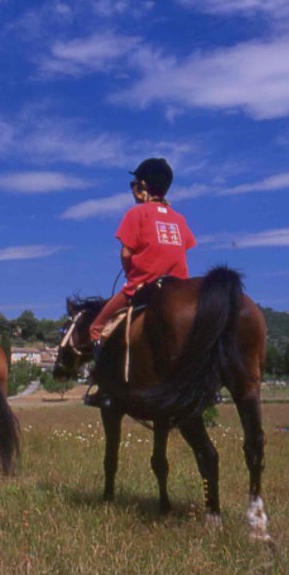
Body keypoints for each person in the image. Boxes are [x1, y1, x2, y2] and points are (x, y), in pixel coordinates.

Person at [85, 157, 196, 407]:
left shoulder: (136, 213)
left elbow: (126, 253)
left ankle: (105, 388)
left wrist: (130, 271)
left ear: (143, 185)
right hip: (179, 288)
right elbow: (184, 246)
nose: (133, 189)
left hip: (143, 286)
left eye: (133, 184)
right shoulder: (179, 219)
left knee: (95, 328)